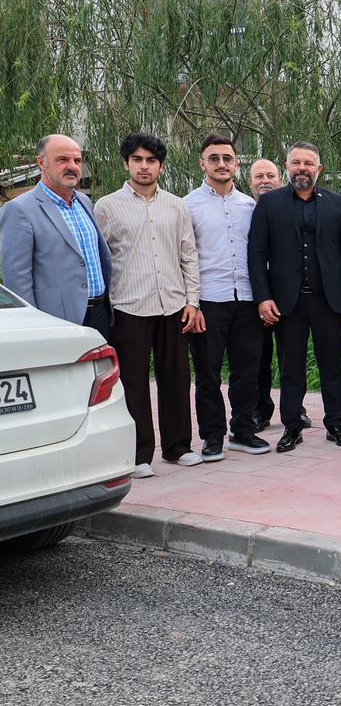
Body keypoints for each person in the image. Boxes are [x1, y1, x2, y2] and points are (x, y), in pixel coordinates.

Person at [96, 133, 205, 476]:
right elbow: (101, 260)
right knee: (134, 383)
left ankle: (178, 447)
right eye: (138, 160)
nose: (144, 167)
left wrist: (193, 301)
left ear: (160, 165)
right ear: (126, 163)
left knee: (176, 377)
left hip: (173, 304)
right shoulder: (107, 206)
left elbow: (189, 255)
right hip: (129, 306)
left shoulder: (177, 205)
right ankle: (139, 454)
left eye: (151, 161)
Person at [248, 142, 341, 453]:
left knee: (331, 365)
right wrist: (263, 298)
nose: (302, 168)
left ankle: (335, 424)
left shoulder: (338, 204)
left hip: (330, 300)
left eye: (308, 163)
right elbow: (256, 255)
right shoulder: (269, 204)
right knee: (291, 367)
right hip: (288, 302)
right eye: (296, 162)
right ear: (287, 167)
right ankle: (292, 427)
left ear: (319, 169)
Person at [185, 134, 269, 460]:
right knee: (208, 372)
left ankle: (243, 431)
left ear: (236, 163)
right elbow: (184, 256)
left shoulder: (249, 206)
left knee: (247, 371)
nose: (221, 164)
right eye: (214, 158)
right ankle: (213, 437)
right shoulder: (187, 205)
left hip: (246, 299)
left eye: (227, 158)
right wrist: (191, 303)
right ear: (202, 163)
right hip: (208, 300)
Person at [0, 134, 114, 340]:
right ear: (41, 163)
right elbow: (17, 280)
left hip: (100, 313)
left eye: (77, 160)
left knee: (99, 373)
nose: (72, 166)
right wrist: (32, 326)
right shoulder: (20, 210)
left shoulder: (84, 202)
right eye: (62, 159)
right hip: (58, 319)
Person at [247, 158, 300, 433]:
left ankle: (295, 408)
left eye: (270, 175)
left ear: (280, 179)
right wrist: (261, 297)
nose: (265, 181)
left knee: (292, 356)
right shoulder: (242, 209)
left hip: (288, 295)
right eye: (259, 176)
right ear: (250, 182)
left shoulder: (289, 208)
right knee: (259, 357)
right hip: (255, 295)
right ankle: (260, 409)